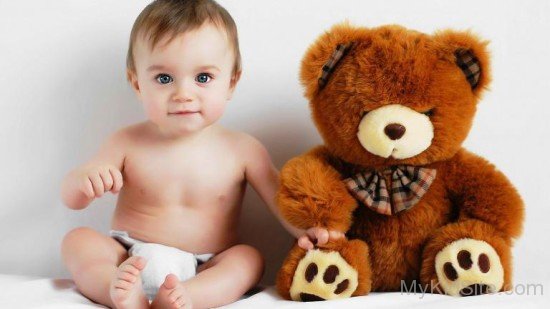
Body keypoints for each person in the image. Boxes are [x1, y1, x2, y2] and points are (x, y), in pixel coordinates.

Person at [60, 1, 312, 308]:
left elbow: (282, 202)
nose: (183, 94)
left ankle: (189, 298)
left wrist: (311, 231)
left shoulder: (243, 150)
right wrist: (84, 181)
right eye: (164, 79)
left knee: (248, 259)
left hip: (204, 265)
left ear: (231, 82)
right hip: (126, 255)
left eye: (203, 77)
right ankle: (114, 289)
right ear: (137, 83)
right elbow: (73, 199)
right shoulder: (125, 141)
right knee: (78, 241)